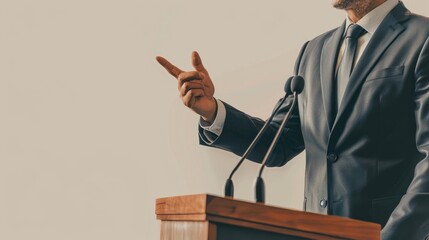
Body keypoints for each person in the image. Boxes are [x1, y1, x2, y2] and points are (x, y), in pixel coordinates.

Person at [156, 0, 429, 239]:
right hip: (315, 232)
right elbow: (279, 142)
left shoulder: (422, 39)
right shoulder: (314, 51)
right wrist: (212, 112)